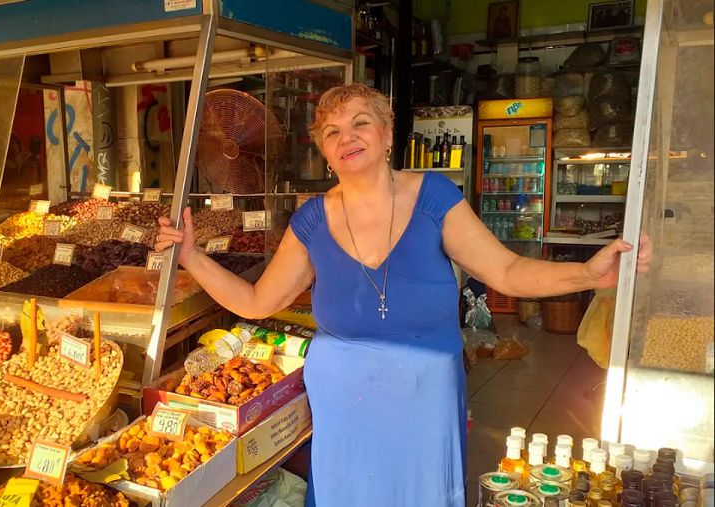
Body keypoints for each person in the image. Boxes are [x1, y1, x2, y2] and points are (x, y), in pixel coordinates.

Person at [156, 84, 650, 506]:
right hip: (344, 404)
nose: (346, 137)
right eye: (332, 132)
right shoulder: (309, 222)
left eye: (360, 123)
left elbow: (508, 270)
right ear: (324, 153)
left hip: (424, 401)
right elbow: (258, 302)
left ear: (388, 135)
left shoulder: (435, 198)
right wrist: (194, 259)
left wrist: (587, 273)